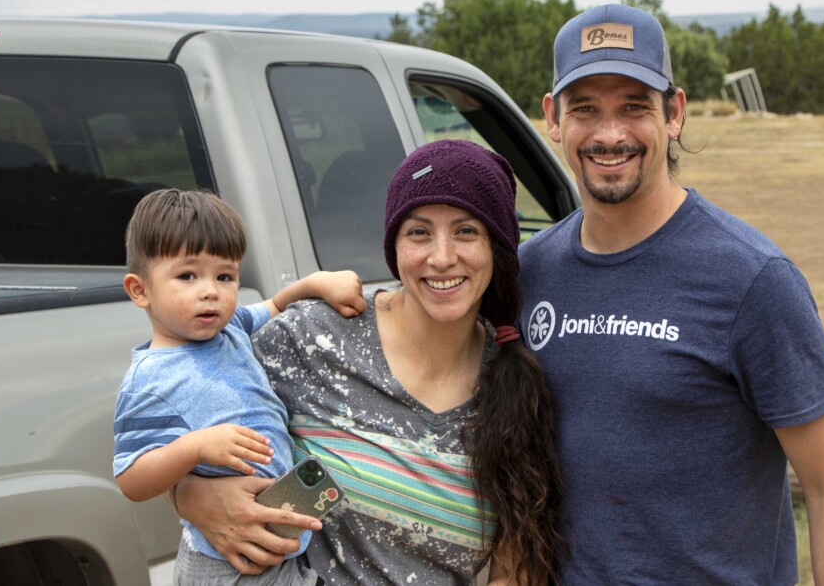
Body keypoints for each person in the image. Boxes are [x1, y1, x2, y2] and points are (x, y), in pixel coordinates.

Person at [517, 3, 824, 584]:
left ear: (674, 113)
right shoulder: (530, 273)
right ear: (553, 118)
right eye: (586, 110)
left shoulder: (752, 279)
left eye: (634, 108)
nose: (609, 135)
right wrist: (311, 291)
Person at [173, 142, 563, 585]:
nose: (441, 256)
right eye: (418, 232)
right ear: (393, 246)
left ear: (497, 246)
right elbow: (175, 421)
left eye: (466, 231)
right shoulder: (313, 338)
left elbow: (515, 572)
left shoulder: (514, 384)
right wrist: (187, 494)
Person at [113, 188, 366, 585]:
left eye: (225, 276)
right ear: (139, 290)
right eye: (187, 275)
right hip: (224, 563)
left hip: (277, 541)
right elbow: (132, 478)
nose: (211, 290)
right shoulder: (150, 379)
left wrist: (314, 284)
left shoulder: (228, 327)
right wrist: (195, 447)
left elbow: (275, 307)